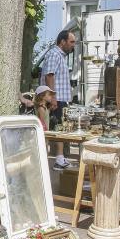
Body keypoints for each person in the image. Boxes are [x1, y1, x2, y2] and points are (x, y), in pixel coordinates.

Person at [40, 30, 76, 170]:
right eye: (71, 42)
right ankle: (57, 160)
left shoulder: (59, 55)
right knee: (54, 129)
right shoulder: (54, 54)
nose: (73, 45)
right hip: (56, 98)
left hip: (59, 98)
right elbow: (50, 75)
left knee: (58, 128)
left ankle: (60, 159)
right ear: (63, 42)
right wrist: (53, 97)